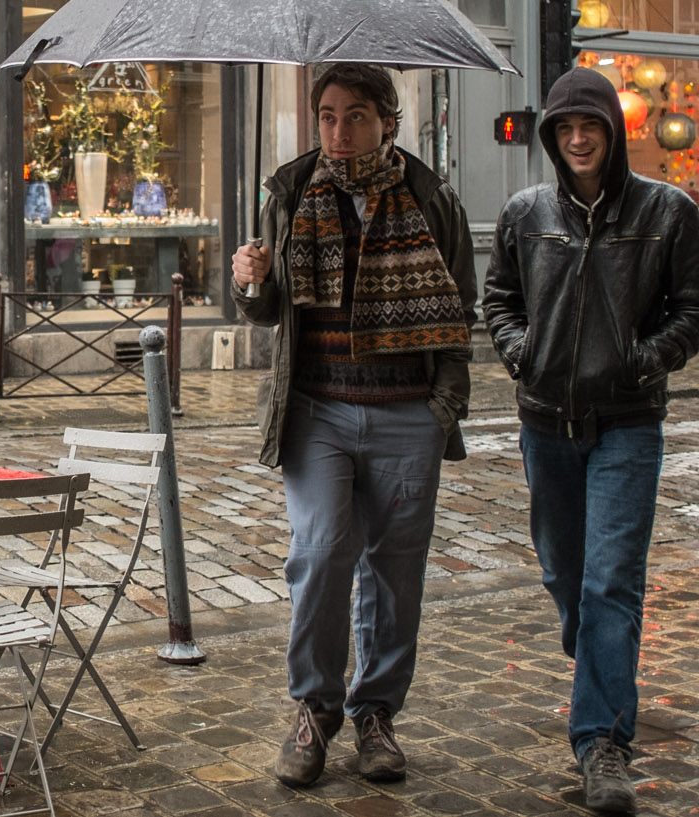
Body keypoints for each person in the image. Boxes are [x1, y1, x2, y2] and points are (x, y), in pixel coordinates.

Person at [230, 63, 478, 788]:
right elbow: (269, 309)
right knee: (319, 552)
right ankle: (313, 708)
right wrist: (250, 278)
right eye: (329, 116)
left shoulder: (430, 196)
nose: (341, 132)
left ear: (389, 122)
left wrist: (444, 407)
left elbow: (460, 307)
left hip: (407, 411)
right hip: (319, 411)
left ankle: (376, 714)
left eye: (358, 115)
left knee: (395, 570)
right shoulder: (290, 191)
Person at [481, 66, 699, 814]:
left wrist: (642, 360)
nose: (578, 139)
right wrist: (522, 352)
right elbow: (498, 298)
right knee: (567, 578)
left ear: (614, 132)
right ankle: (596, 655)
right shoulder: (524, 213)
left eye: (591, 126)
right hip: (545, 420)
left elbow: (698, 306)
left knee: (611, 581)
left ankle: (602, 743)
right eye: (565, 128)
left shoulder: (666, 210)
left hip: (627, 423)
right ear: (551, 137)